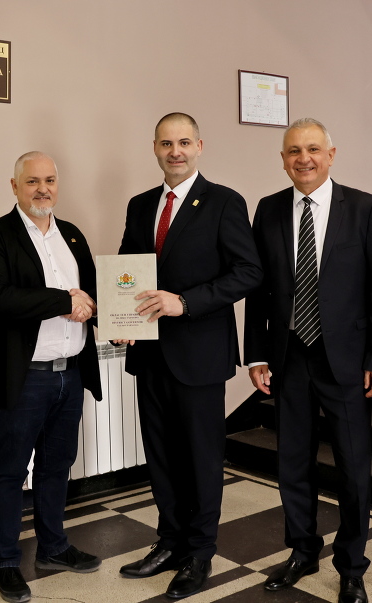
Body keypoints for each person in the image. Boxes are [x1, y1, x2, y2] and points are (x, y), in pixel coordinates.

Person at [244, 118, 372, 603]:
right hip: (289, 357)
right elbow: (259, 292)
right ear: (282, 160)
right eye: (293, 151)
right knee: (292, 463)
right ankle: (302, 550)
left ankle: (351, 566)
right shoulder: (268, 209)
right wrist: (256, 354)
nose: (303, 159)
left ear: (331, 154)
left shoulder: (364, 208)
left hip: (347, 361)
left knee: (353, 468)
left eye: (312, 149)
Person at [114, 113, 262, 600]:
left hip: (199, 354)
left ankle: (200, 552)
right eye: (166, 143)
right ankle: (170, 541)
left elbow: (248, 272)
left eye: (183, 142)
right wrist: (120, 321)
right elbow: (127, 270)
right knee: (161, 456)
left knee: (200, 458)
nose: (174, 151)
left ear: (199, 145)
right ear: (154, 148)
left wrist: (185, 301)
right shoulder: (140, 205)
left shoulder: (224, 201)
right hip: (150, 354)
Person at [0, 152, 103, 603]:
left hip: (70, 374)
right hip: (21, 378)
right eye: (32, 181)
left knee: (56, 467)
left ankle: (54, 548)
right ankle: (6, 561)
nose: (42, 189)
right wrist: (63, 301)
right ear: (14, 186)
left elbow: (92, 293)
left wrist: (107, 314)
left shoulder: (72, 235)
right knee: (9, 470)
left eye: (49, 180)